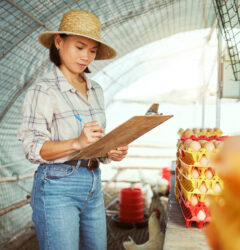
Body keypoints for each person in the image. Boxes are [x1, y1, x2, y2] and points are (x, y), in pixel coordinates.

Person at [18, 9, 128, 250]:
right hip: (57, 185)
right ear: (59, 42)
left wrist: (108, 152)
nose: (86, 57)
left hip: (92, 181)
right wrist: (76, 143)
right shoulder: (43, 90)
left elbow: (93, 143)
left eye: (92, 50)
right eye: (79, 47)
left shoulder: (96, 89)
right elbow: (32, 148)